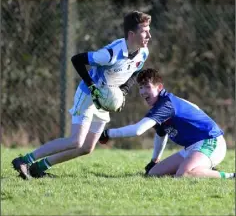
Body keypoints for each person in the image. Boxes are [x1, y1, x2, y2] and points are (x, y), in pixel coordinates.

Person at [12, 11, 152, 179]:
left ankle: (38, 168)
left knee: (86, 147)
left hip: (103, 98)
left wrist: (124, 91)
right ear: (132, 34)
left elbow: (135, 72)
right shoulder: (110, 54)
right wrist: (91, 86)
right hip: (87, 95)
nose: (149, 35)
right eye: (145, 31)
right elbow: (76, 59)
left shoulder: (143, 52)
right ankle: (24, 160)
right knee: (75, 141)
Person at [99, 68, 235, 179]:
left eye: (147, 87)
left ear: (159, 88)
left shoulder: (166, 105)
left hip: (210, 141)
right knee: (153, 174)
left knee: (183, 174)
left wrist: (108, 133)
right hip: (192, 147)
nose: (143, 92)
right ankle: (201, 169)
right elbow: (161, 134)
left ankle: (230, 176)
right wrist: (154, 160)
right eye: (140, 87)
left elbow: (138, 130)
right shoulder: (162, 105)